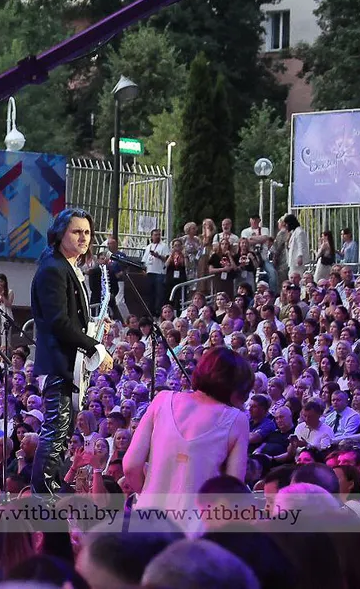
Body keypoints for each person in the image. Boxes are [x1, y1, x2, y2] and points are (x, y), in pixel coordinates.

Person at [29, 208, 113, 496]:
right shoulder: (54, 269)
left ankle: (48, 495)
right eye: (76, 231)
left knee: (61, 433)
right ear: (59, 234)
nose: (83, 237)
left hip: (67, 362)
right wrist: (96, 347)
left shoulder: (67, 267)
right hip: (58, 362)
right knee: (55, 432)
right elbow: (59, 322)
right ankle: (43, 500)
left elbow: (71, 319)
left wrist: (94, 328)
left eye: (87, 232)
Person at [124, 347, 252, 520]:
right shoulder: (237, 419)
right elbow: (233, 491)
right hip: (198, 525)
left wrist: (150, 494)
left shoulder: (162, 399)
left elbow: (131, 465)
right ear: (238, 387)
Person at [143, 229, 170, 314]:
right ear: (152, 236)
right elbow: (144, 260)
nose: (157, 236)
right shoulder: (148, 247)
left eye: (159, 235)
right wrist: (144, 270)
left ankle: (159, 312)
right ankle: (150, 312)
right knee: (150, 293)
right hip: (150, 272)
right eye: (155, 235)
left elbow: (167, 259)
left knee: (159, 293)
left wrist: (158, 256)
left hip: (159, 272)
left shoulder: (164, 246)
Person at [284, 213, 309, 278]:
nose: (286, 226)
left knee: (296, 276)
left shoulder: (299, 232)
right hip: (293, 261)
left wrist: (300, 256)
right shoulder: (294, 232)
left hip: (296, 261)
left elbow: (301, 245)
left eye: (286, 224)